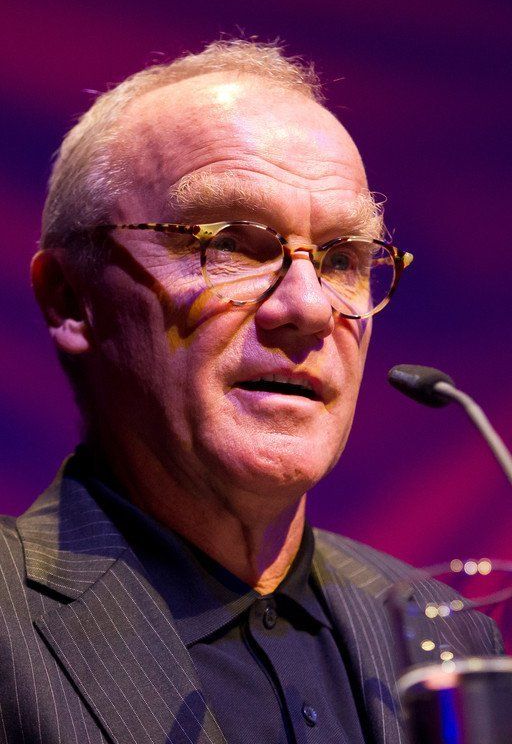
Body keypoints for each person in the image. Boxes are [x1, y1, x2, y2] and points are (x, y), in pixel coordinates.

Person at [0, 40, 501, 744]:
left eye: (342, 258)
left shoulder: (450, 638)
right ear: (70, 298)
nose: (309, 307)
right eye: (232, 243)